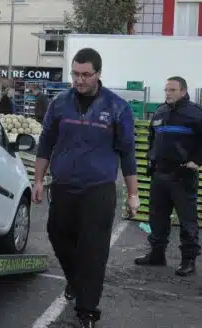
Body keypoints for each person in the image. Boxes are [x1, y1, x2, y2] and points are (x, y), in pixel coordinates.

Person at [32, 47, 139, 328]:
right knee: (57, 235)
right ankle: (76, 281)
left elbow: (128, 153)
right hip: (64, 186)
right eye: (75, 74)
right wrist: (39, 180)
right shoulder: (59, 103)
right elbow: (45, 144)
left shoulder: (117, 107)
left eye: (85, 75)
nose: (79, 80)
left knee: (93, 249)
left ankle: (87, 310)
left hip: (98, 190)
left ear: (98, 74)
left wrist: (133, 194)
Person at [134, 76, 202, 276]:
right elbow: (152, 138)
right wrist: (150, 159)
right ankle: (157, 254)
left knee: (186, 220)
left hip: (182, 175)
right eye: (166, 90)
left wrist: (196, 161)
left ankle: (188, 260)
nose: (168, 93)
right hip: (160, 175)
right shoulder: (160, 111)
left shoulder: (196, 113)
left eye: (172, 90)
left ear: (183, 91)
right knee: (157, 218)